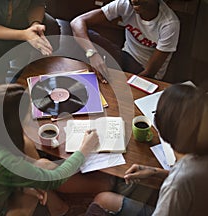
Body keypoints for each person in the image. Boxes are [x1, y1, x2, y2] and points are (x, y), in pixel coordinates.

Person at [0, 83, 115, 216]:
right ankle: (60, 208)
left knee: (40, 169)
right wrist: (85, 148)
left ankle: (58, 207)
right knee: (39, 182)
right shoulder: (5, 161)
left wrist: (25, 184)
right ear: (15, 122)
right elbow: (55, 179)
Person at [85, 84, 208, 216]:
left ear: (162, 128)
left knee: (102, 200)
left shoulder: (177, 184)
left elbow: (184, 180)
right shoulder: (196, 161)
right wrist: (155, 172)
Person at [70, 0, 180, 82]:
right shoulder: (125, 4)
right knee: (86, 36)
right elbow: (77, 22)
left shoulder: (169, 24)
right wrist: (93, 55)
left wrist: (121, 84)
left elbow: (149, 72)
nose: (134, 0)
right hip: (125, 56)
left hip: (143, 70)